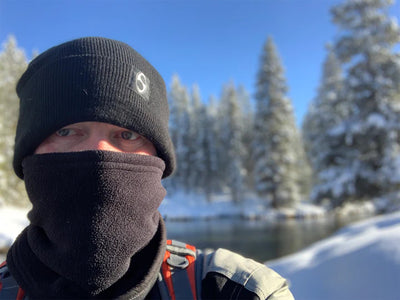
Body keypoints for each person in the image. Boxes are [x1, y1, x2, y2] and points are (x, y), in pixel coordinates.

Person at [0, 37, 294, 299]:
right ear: (28, 154)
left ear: (160, 158)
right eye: (65, 132)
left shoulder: (238, 291)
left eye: (127, 135)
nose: (99, 152)